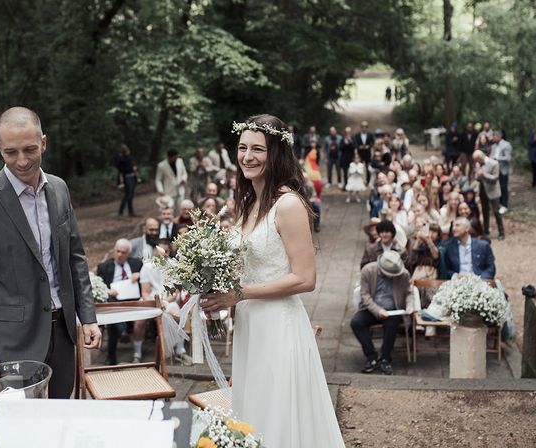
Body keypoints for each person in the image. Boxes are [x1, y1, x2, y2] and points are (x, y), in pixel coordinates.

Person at [200, 114, 345, 447]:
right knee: (255, 414)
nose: (247, 156)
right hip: (251, 325)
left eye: (258, 149)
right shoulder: (249, 205)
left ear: (275, 153)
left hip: (279, 326)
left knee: (280, 417)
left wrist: (238, 293)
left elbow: (305, 278)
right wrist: (210, 284)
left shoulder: (288, 204)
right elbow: (247, 266)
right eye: (242, 148)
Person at [0, 106, 101, 399]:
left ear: (44, 142)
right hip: (12, 343)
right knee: (20, 429)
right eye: (11, 152)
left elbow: (75, 257)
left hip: (62, 334)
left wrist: (88, 317)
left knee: (59, 417)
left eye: (30, 149)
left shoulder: (59, 189)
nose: (21, 161)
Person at [350, 250, 413, 375]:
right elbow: (364, 294)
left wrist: (410, 306)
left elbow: (409, 292)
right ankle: (371, 355)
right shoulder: (368, 270)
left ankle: (385, 357)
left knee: (392, 325)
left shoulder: (404, 274)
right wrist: (377, 310)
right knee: (356, 323)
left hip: (393, 309)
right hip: (371, 308)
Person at [96, 238, 142, 365]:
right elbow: (98, 286)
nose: (120, 255)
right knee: (113, 318)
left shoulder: (137, 264)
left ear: (129, 253)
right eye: (118, 251)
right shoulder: (105, 266)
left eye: (124, 252)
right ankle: (112, 354)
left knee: (114, 317)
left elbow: (147, 281)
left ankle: (122, 331)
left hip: (133, 301)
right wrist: (107, 291)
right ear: (114, 251)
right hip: (114, 302)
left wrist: (139, 276)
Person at [473, 150, 505, 240]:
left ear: (481, 157)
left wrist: (484, 174)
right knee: (484, 211)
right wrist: (478, 176)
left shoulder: (494, 163)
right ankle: (486, 231)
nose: (476, 162)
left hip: (493, 191)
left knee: (496, 212)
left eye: (477, 160)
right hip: (483, 190)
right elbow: (477, 178)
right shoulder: (478, 164)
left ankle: (501, 232)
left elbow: (495, 178)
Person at [155, 149, 188, 214]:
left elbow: (184, 173)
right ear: (169, 157)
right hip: (169, 192)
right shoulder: (161, 165)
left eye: (176, 157)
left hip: (180, 191)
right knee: (170, 211)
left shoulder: (180, 161)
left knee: (180, 210)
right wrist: (160, 190)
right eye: (174, 158)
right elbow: (158, 180)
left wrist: (183, 179)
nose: (175, 159)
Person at [491, 130, 512, 213]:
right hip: (495, 170)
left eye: (495, 136)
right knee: (497, 187)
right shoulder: (493, 146)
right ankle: (498, 203)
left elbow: (508, 158)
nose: (493, 138)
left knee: (503, 187)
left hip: (503, 170)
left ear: (500, 136)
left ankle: (504, 205)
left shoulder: (506, 145)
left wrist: (497, 158)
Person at [116, 144, 138, 216]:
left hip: (132, 176)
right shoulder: (121, 159)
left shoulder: (129, 157)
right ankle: (121, 210)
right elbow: (121, 169)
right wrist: (131, 169)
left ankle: (130, 211)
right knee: (128, 194)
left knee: (130, 194)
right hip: (127, 177)